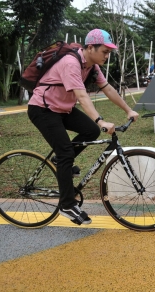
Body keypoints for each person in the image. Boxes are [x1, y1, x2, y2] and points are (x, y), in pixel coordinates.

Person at [27, 29, 139, 225]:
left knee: (90, 131)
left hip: (63, 109)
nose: (107, 55)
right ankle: (67, 204)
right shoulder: (71, 63)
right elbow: (81, 96)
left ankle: (60, 161)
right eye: (104, 51)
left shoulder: (92, 66)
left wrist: (128, 110)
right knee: (67, 152)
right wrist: (101, 121)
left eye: (109, 52)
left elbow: (108, 89)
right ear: (90, 47)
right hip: (43, 109)